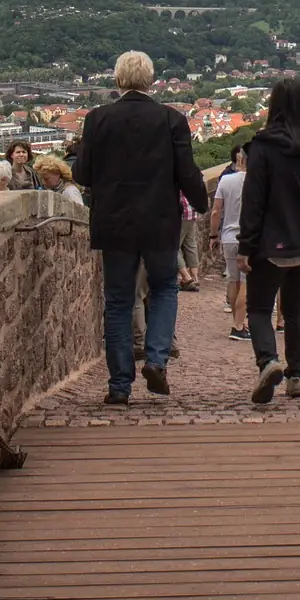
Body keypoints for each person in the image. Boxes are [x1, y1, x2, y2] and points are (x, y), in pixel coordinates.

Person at [73, 50, 209, 404]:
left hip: (113, 222)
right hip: (160, 221)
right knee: (164, 288)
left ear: (118, 80)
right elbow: (187, 172)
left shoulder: (98, 119)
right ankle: (157, 359)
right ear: (151, 81)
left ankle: (119, 385)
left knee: (118, 300)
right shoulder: (171, 119)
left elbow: (83, 174)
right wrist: (201, 203)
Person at [237, 78, 300, 403]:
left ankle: (268, 361)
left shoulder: (262, 147)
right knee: (295, 309)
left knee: (260, 308)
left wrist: (246, 246)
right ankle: (297, 377)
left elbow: (254, 201)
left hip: (273, 242)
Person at [209, 142, 251, 339]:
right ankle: (238, 325)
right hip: (247, 238)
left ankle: (238, 324)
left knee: (234, 280)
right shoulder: (256, 182)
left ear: (239, 159)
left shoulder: (225, 181)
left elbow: (216, 211)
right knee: (246, 283)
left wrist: (213, 235)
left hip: (228, 237)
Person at [178, 192, 204, 292]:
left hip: (181, 214)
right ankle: (195, 278)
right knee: (190, 245)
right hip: (191, 212)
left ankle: (187, 278)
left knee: (173, 247)